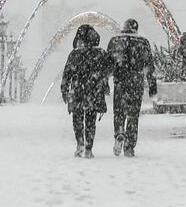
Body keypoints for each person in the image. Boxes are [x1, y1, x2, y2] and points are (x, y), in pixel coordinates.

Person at [106, 19, 157, 157]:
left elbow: (107, 64)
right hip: (136, 82)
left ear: (125, 27)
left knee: (119, 111)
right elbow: (149, 66)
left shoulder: (115, 41)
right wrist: (152, 86)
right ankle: (129, 146)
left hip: (120, 82)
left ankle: (119, 132)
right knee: (133, 115)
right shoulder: (143, 42)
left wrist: (105, 81)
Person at [60, 24, 113, 157]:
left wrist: (64, 90)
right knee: (91, 120)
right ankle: (89, 148)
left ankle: (80, 144)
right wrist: (102, 79)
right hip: (95, 90)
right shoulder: (101, 53)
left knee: (77, 118)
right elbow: (110, 68)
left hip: (78, 90)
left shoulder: (75, 54)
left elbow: (67, 74)